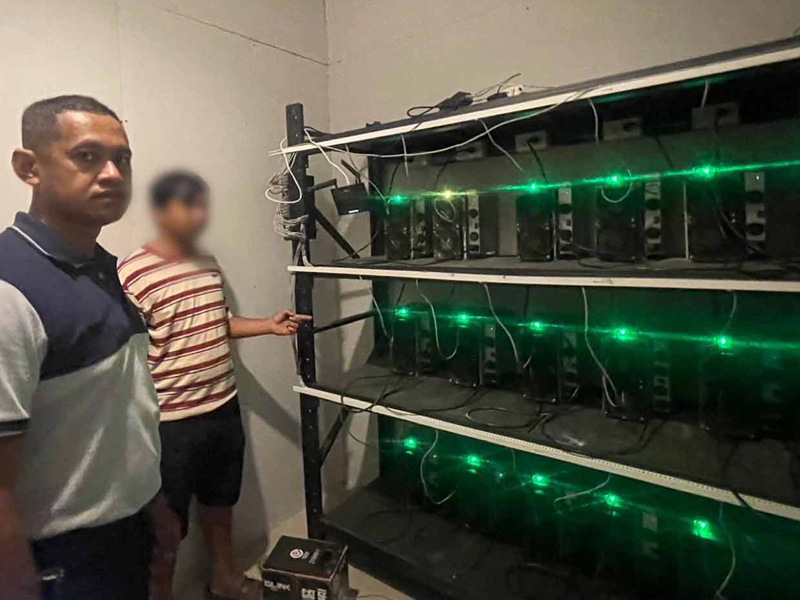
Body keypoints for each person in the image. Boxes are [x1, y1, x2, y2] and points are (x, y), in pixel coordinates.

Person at [0, 95, 180, 600]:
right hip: (61, 559)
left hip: (125, 530)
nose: (113, 174)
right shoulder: (9, 288)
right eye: (87, 156)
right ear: (29, 168)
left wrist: (152, 504)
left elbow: (115, 409)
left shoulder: (101, 267)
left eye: (122, 159)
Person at [118, 170, 310, 600]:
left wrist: (267, 325)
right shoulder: (132, 272)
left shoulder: (206, 262)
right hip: (170, 422)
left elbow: (217, 322)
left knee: (220, 502)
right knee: (166, 528)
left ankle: (225, 579)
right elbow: (126, 352)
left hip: (223, 405)